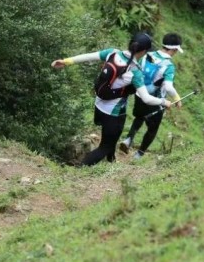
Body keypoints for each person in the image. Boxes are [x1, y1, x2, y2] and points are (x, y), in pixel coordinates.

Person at [51, 32, 172, 166]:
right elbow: (146, 99)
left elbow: (88, 57)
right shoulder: (134, 71)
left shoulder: (112, 53)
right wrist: (163, 102)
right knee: (105, 146)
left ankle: (111, 162)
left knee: (111, 140)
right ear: (144, 52)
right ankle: (79, 168)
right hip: (114, 114)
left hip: (99, 106)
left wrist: (66, 61)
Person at [119, 33, 183, 159]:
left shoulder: (147, 55)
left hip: (140, 94)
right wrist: (177, 98)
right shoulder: (169, 65)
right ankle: (139, 154)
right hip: (157, 101)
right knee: (152, 129)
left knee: (139, 117)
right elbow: (169, 87)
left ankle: (128, 139)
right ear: (174, 49)